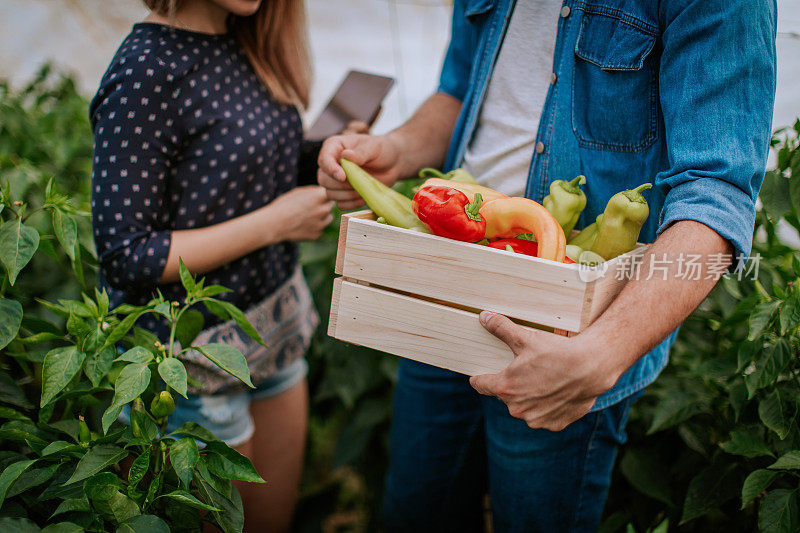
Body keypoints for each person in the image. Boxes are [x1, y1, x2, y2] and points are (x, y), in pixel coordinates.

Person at [317, 0, 777, 531]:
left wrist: (601, 354)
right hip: (443, 280)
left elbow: (715, 193)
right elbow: (459, 89)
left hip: (564, 334)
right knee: (415, 510)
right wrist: (394, 149)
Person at [89, 1, 365, 530]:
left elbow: (230, 165)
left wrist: (321, 153)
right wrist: (275, 223)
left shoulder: (245, 41)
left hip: (273, 336)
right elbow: (127, 254)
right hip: (192, 365)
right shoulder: (148, 68)